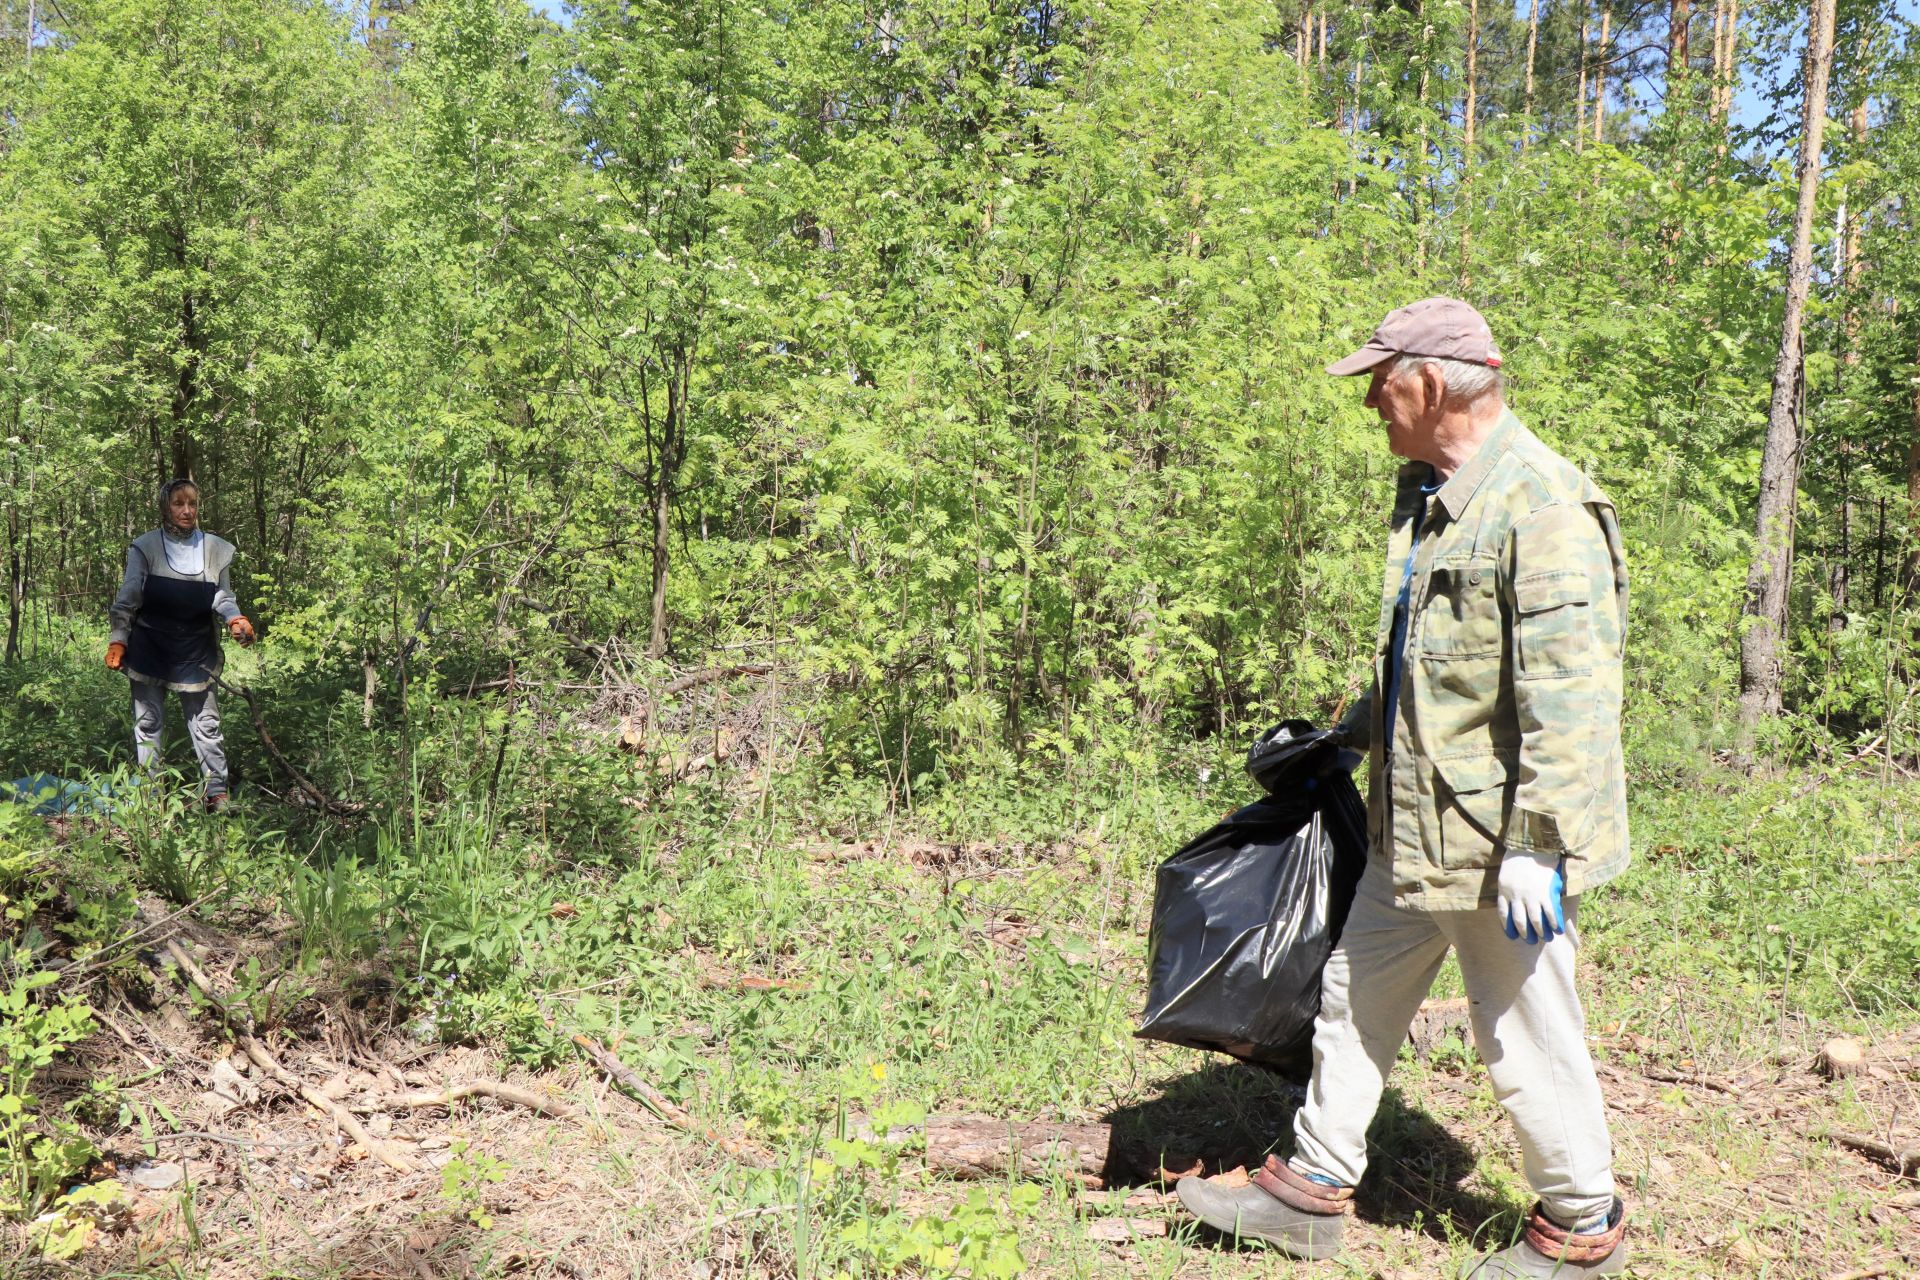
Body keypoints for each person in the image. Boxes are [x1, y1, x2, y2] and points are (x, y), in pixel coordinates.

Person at [1175, 298, 1632, 1278]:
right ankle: (1311, 1187)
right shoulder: (1432, 493)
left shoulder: (1543, 505)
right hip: (1412, 826)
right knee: (1354, 993)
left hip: (1493, 843)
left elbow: (1573, 699)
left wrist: (1539, 846)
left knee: (1524, 1031)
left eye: (1380, 382)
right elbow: (1419, 658)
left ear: (1429, 382)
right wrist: (1340, 738)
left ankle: (1583, 1226)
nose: (1372, 403)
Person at [106, 479, 255, 810]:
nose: (187, 511)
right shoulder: (145, 547)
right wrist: (118, 640)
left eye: (192, 503)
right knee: (148, 724)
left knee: (206, 724)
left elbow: (222, 595)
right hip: (150, 647)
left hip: (195, 648)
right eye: (178, 503)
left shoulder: (216, 549)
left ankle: (216, 794)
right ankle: (150, 796)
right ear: (165, 507)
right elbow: (128, 597)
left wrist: (235, 618)